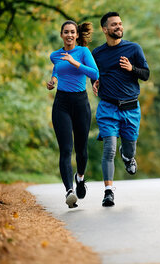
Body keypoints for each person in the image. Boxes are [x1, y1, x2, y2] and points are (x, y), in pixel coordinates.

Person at [92, 12, 150, 207]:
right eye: (114, 24)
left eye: (120, 24)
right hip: (108, 108)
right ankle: (108, 192)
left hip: (131, 108)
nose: (118, 27)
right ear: (105, 29)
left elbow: (146, 74)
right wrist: (94, 82)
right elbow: (94, 73)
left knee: (129, 148)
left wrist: (131, 69)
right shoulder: (97, 54)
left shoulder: (134, 49)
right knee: (108, 150)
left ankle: (128, 157)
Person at [47, 20, 99, 208]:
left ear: (77, 35)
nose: (69, 35)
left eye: (72, 32)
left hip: (80, 103)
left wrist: (75, 63)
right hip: (61, 103)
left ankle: (80, 178)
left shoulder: (84, 52)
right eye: (66, 32)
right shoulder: (55, 55)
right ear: (61, 35)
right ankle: (69, 191)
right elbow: (57, 70)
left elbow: (95, 73)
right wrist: (53, 80)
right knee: (66, 150)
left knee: (81, 150)